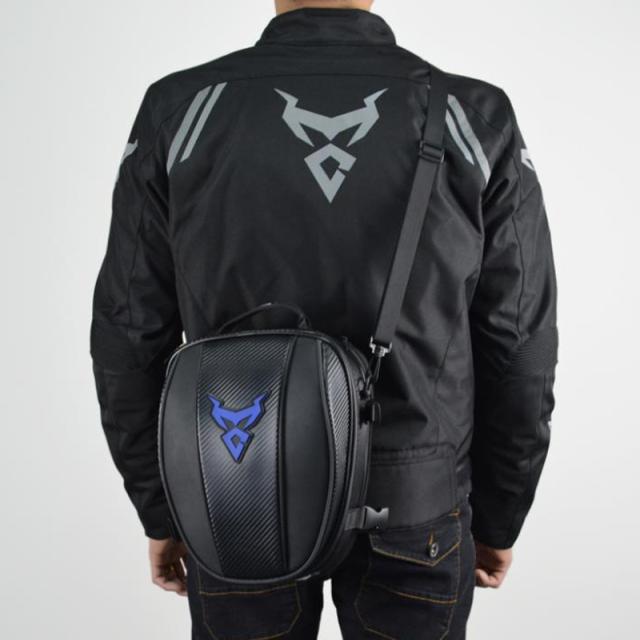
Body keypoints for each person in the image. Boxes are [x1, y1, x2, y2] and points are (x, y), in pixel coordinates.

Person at [90, 1, 558, 637]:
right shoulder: (469, 113)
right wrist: (500, 517)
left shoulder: (181, 110)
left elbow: (127, 333)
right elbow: (520, 343)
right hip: (415, 504)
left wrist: (165, 505)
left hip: (235, 483)